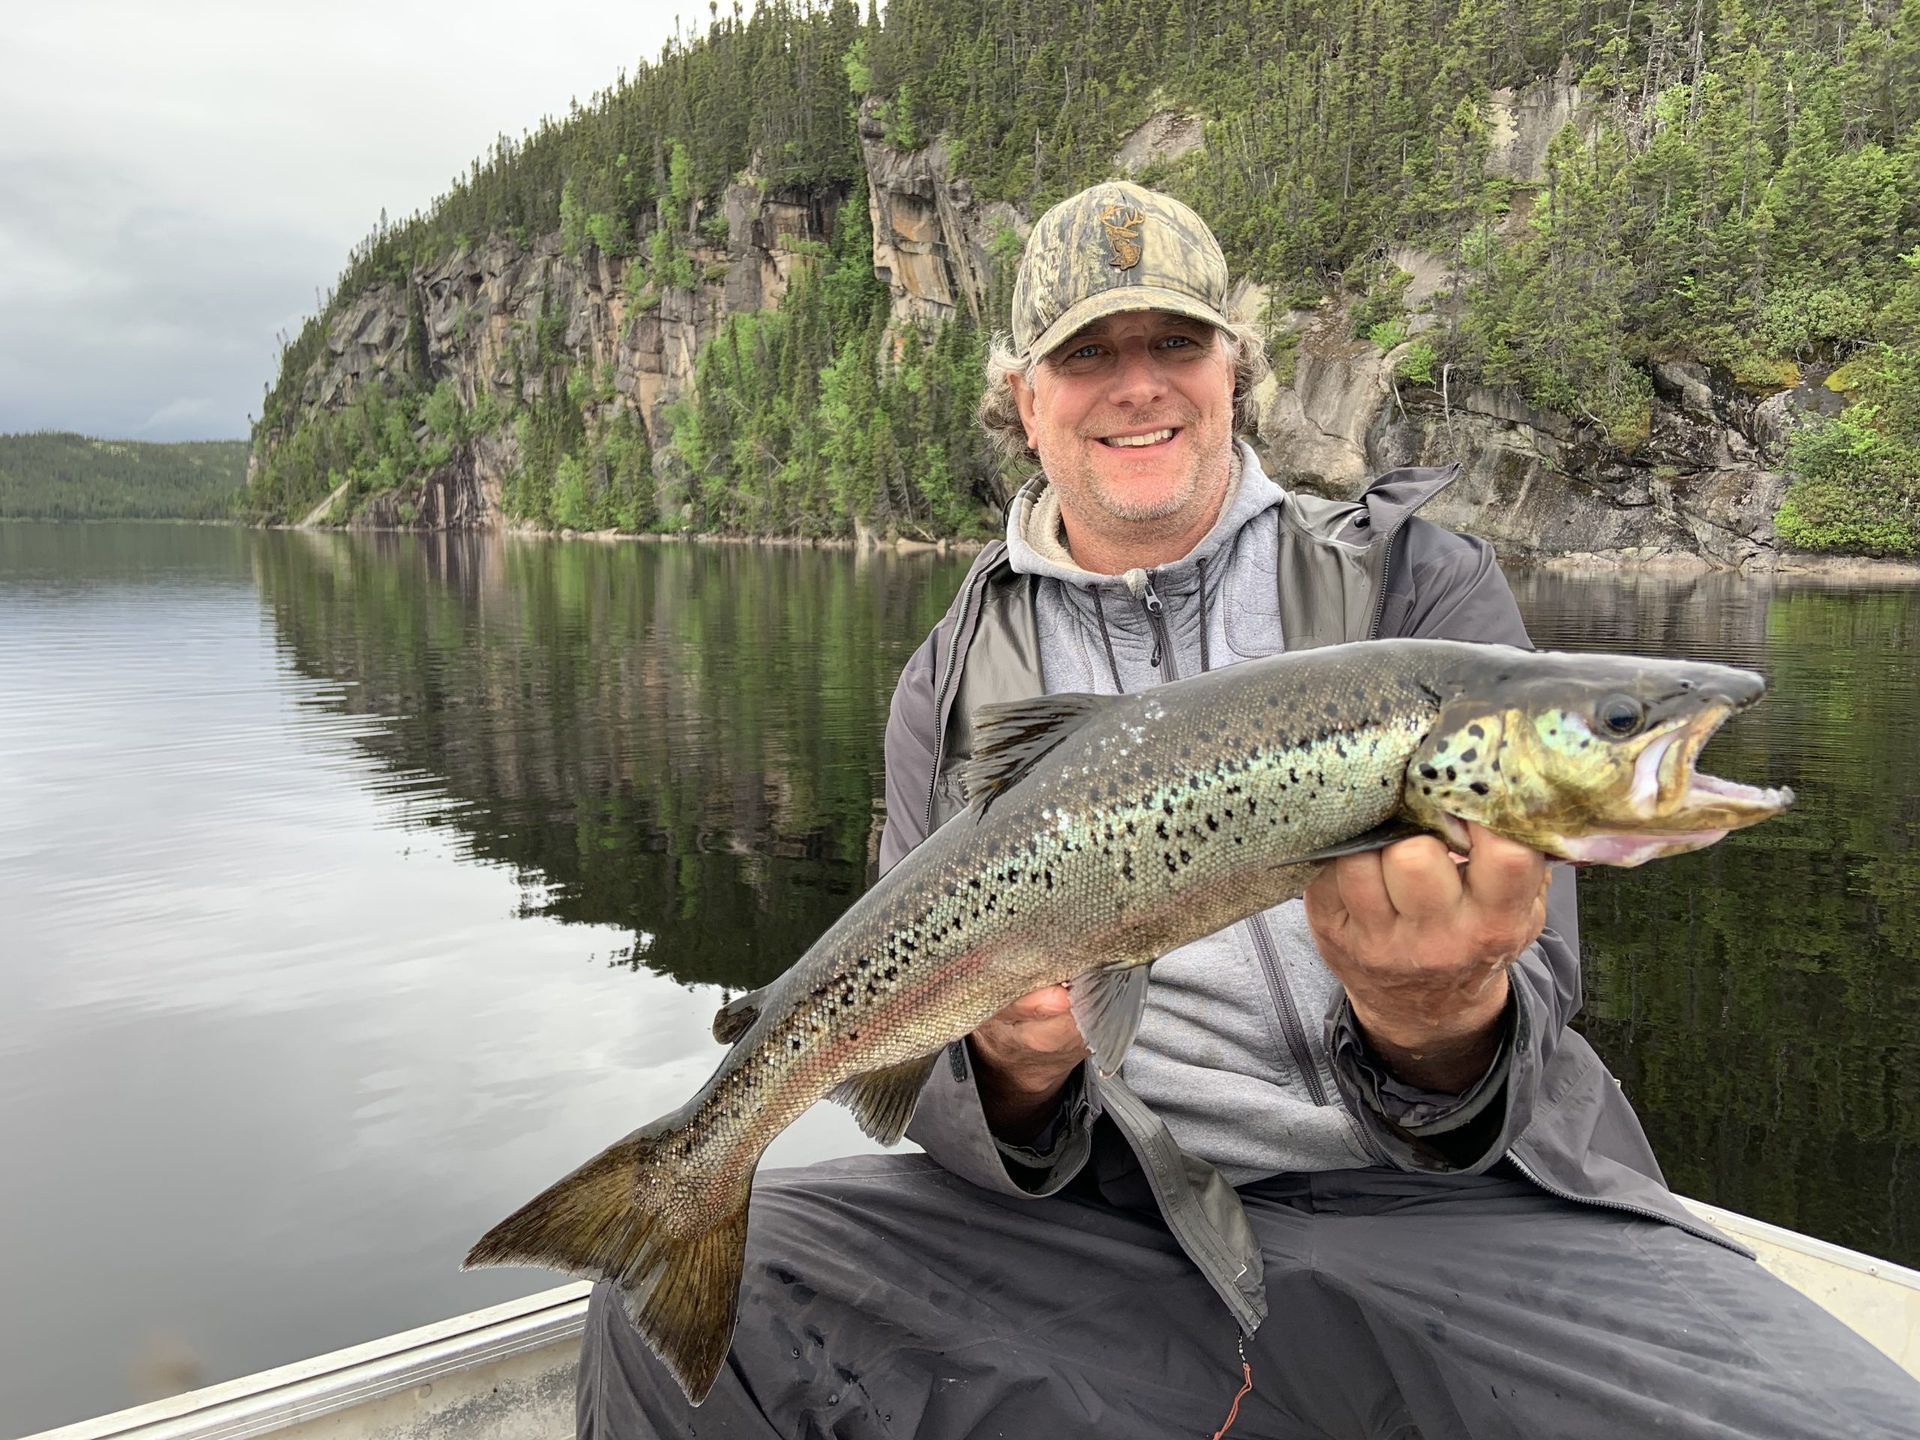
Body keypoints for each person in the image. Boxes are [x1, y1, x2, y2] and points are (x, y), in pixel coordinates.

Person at [576, 181, 1920, 1437]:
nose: (1140, 384)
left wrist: (1437, 1021)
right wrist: (1017, 1077)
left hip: (1473, 1210)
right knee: (665, 1325)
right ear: (1026, 404)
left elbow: (1542, 993)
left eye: (1178, 344)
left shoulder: (1419, 590)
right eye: (1091, 356)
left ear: (1236, 376)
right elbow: (935, 1108)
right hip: (1118, 1229)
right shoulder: (948, 680)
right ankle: (689, 1183)